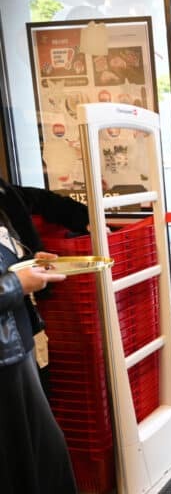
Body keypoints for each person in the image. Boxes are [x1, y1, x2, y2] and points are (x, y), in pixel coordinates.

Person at [0, 178, 90, 493]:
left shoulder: (5, 193)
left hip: (17, 344)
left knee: (44, 455)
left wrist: (30, 265)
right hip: (8, 354)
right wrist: (18, 283)